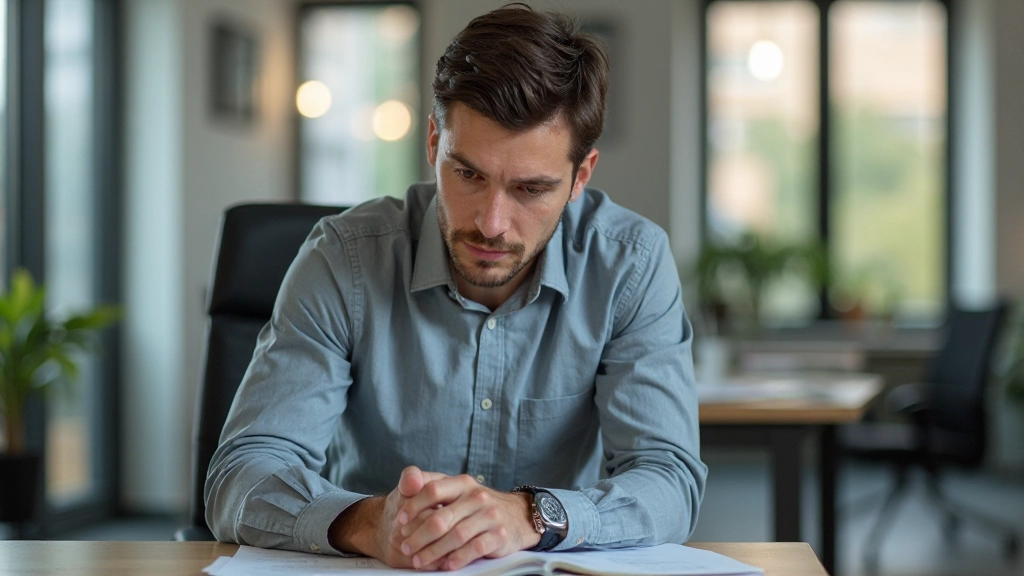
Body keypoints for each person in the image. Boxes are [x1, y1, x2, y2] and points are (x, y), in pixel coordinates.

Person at [205, 3, 706, 571]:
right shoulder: (341, 260)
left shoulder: (629, 266)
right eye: (468, 174)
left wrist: (531, 516)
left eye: (530, 189)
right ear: (432, 144)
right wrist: (371, 523)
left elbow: (670, 479)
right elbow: (241, 475)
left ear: (580, 177)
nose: (492, 223)